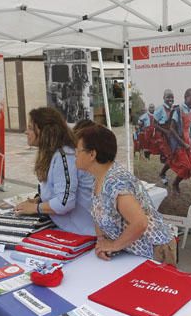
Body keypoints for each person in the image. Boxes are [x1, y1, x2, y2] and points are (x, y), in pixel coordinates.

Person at [74, 124, 176, 262]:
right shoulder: (99, 177)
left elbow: (140, 223)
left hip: (154, 252)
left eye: (78, 150)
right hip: (131, 253)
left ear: (92, 154)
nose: (75, 154)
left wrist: (114, 246)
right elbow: (98, 213)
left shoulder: (116, 182)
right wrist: (102, 243)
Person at [15, 107, 95, 235]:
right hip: (71, 228)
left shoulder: (64, 156)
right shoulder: (55, 154)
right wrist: (39, 200)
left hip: (84, 232)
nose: (26, 132)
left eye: (30, 128)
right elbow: (57, 189)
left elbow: (65, 203)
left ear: (45, 132)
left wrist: (35, 208)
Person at [166, 88, 191, 194]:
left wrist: (189, 141)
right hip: (179, 142)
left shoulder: (190, 112)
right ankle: (175, 184)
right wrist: (183, 143)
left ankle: (174, 180)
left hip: (187, 142)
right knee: (186, 167)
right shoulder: (178, 110)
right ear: (185, 97)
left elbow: (187, 128)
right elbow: (171, 129)